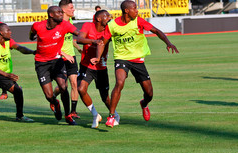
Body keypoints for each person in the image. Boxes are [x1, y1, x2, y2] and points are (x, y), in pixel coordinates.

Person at [91, 0, 179, 128]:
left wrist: (168, 43)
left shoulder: (138, 21)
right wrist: (98, 57)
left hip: (138, 60)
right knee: (119, 83)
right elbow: (102, 43)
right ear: (127, 11)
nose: (137, 11)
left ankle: (144, 104)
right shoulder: (112, 25)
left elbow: (156, 31)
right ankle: (111, 116)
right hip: (121, 58)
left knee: (149, 93)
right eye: (135, 8)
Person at [29, 6, 98, 125]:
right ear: (51, 15)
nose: (61, 14)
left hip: (57, 61)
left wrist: (92, 40)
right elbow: (31, 34)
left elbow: (79, 34)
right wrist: (32, 37)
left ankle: (68, 115)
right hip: (41, 63)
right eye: (59, 12)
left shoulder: (65, 25)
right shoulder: (38, 26)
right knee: (49, 95)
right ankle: (54, 102)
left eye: (62, 12)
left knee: (63, 86)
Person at [76, 10, 120, 128]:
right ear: (99, 19)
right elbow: (79, 39)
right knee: (81, 89)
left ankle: (115, 115)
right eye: (106, 16)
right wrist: (94, 41)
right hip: (86, 65)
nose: (109, 17)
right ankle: (95, 114)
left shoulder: (109, 30)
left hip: (101, 67)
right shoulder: (88, 26)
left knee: (105, 97)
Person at [51, 0, 83, 119]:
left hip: (72, 57)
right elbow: (52, 44)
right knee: (63, 86)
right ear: (63, 10)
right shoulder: (57, 24)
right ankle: (53, 98)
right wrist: (64, 54)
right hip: (60, 58)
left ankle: (73, 111)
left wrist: (79, 48)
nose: (73, 9)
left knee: (74, 83)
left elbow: (70, 38)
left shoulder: (70, 21)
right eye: (71, 7)